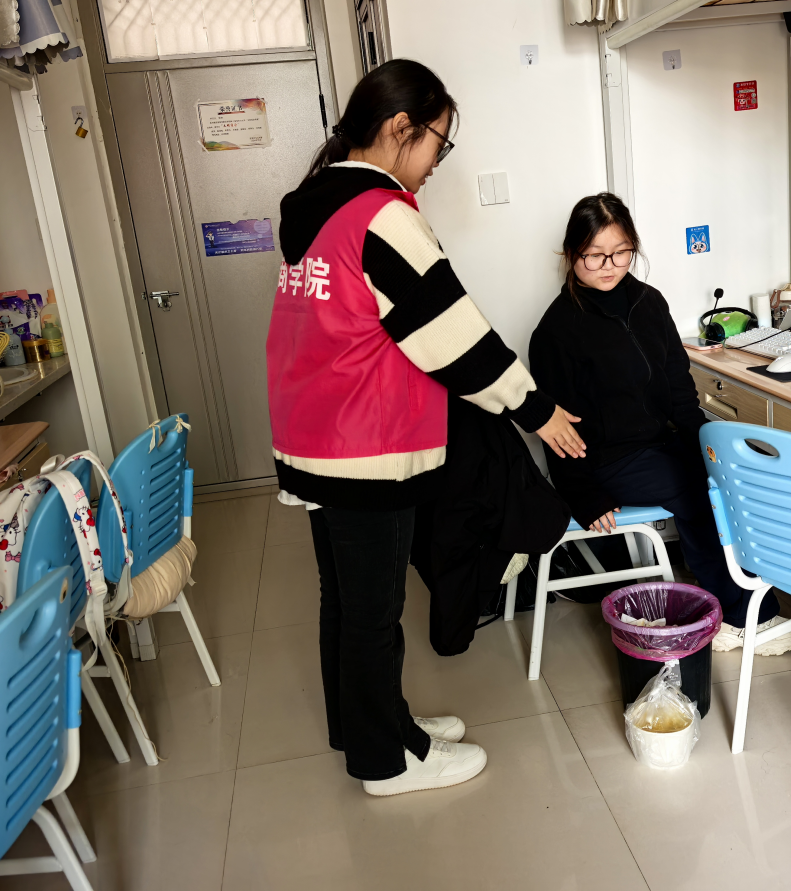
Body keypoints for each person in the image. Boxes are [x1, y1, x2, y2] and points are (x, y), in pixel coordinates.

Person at [266, 59, 585, 797]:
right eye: (439, 142)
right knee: (373, 610)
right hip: (364, 446)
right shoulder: (380, 215)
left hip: (314, 435)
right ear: (399, 128)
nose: (439, 161)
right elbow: (452, 334)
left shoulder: (315, 209)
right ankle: (387, 760)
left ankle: (367, 727)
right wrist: (536, 409)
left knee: (346, 600)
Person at [528, 193, 791, 655]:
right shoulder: (557, 331)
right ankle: (741, 618)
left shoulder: (648, 302)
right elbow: (558, 429)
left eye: (620, 252)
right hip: (606, 460)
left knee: (729, 471)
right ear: (571, 254)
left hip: (660, 442)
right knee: (697, 490)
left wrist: (705, 444)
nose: (608, 266)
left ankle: (741, 598)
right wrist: (582, 493)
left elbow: (678, 384)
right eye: (594, 255)